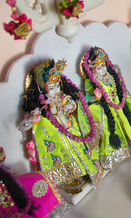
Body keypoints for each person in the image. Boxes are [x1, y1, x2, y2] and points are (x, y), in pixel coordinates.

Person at [21, 59, 104, 192]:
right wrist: (35, 118)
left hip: (73, 128)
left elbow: (73, 104)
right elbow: (34, 122)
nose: (56, 90)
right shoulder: (43, 106)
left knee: (82, 150)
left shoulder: (64, 96)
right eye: (52, 88)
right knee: (70, 155)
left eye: (57, 86)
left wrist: (71, 104)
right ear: (42, 90)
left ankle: (87, 170)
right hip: (60, 136)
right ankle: (70, 178)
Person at [81, 47, 131, 169]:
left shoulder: (110, 75)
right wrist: (96, 97)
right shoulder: (91, 81)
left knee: (126, 125)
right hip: (108, 109)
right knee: (111, 129)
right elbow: (87, 99)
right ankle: (114, 156)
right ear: (92, 69)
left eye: (103, 65)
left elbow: (118, 88)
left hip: (118, 105)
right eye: (98, 68)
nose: (102, 69)